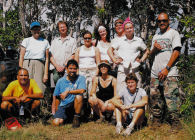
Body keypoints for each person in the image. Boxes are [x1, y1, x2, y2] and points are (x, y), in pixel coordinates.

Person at [149, 12, 182, 126]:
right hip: (155, 73)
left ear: (169, 21)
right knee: (155, 98)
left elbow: (176, 51)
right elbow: (151, 55)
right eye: (159, 21)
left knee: (171, 98)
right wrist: (154, 49)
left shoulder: (174, 33)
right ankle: (157, 121)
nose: (162, 23)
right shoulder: (156, 36)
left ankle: (175, 123)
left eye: (164, 20)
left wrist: (167, 68)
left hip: (170, 72)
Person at [108, 17, 149, 92]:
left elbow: (146, 51)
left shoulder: (139, 40)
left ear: (133, 28)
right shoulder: (119, 40)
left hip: (134, 70)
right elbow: (109, 50)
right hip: (122, 71)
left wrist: (141, 60)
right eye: (127, 28)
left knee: (137, 93)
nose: (129, 30)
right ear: (124, 29)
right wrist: (114, 60)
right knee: (121, 94)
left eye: (131, 28)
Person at [52, 59, 86, 128]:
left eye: (74, 69)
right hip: (64, 105)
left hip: (75, 104)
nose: (72, 71)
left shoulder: (81, 78)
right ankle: (68, 118)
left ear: (77, 69)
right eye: (70, 68)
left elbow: (82, 90)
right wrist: (55, 111)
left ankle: (76, 118)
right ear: (66, 69)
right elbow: (56, 97)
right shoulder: (60, 81)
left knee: (79, 96)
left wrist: (68, 91)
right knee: (56, 123)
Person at [19, 21, 50, 93]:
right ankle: (25, 103)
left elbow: (47, 59)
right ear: (31, 31)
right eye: (34, 29)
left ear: (40, 30)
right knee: (25, 85)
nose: (36, 31)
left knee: (39, 87)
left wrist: (46, 74)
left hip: (40, 65)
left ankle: (39, 103)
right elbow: (21, 56)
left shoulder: (45, 42)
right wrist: (21, 69)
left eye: (38, 29)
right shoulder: (26, 40)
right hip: (27, 64)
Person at [50, 21, 77, 85]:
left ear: (67, 28)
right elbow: (50, 55)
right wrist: (57, 66)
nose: (62, 28)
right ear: (58, 29)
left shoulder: (72, 40)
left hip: (67, 68)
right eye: (60, 27)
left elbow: (73, 54)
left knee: (67, 85)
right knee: (55, 79)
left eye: (64, 27)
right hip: (56, 68)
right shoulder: (54, 41)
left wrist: (64, 65)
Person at [74, 31, 100, 98]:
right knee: (81, 94)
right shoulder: (79, 49)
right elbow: (76, 63)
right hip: (81, 72)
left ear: (91, 39)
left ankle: (92, 108)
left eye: (89, 38)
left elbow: (98, 63)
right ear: (83, 39)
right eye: (85, 38)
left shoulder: (95, 49)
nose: (87, 40)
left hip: (92, 72)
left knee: (92, 94)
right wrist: (77, 75)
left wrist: (96, 75)